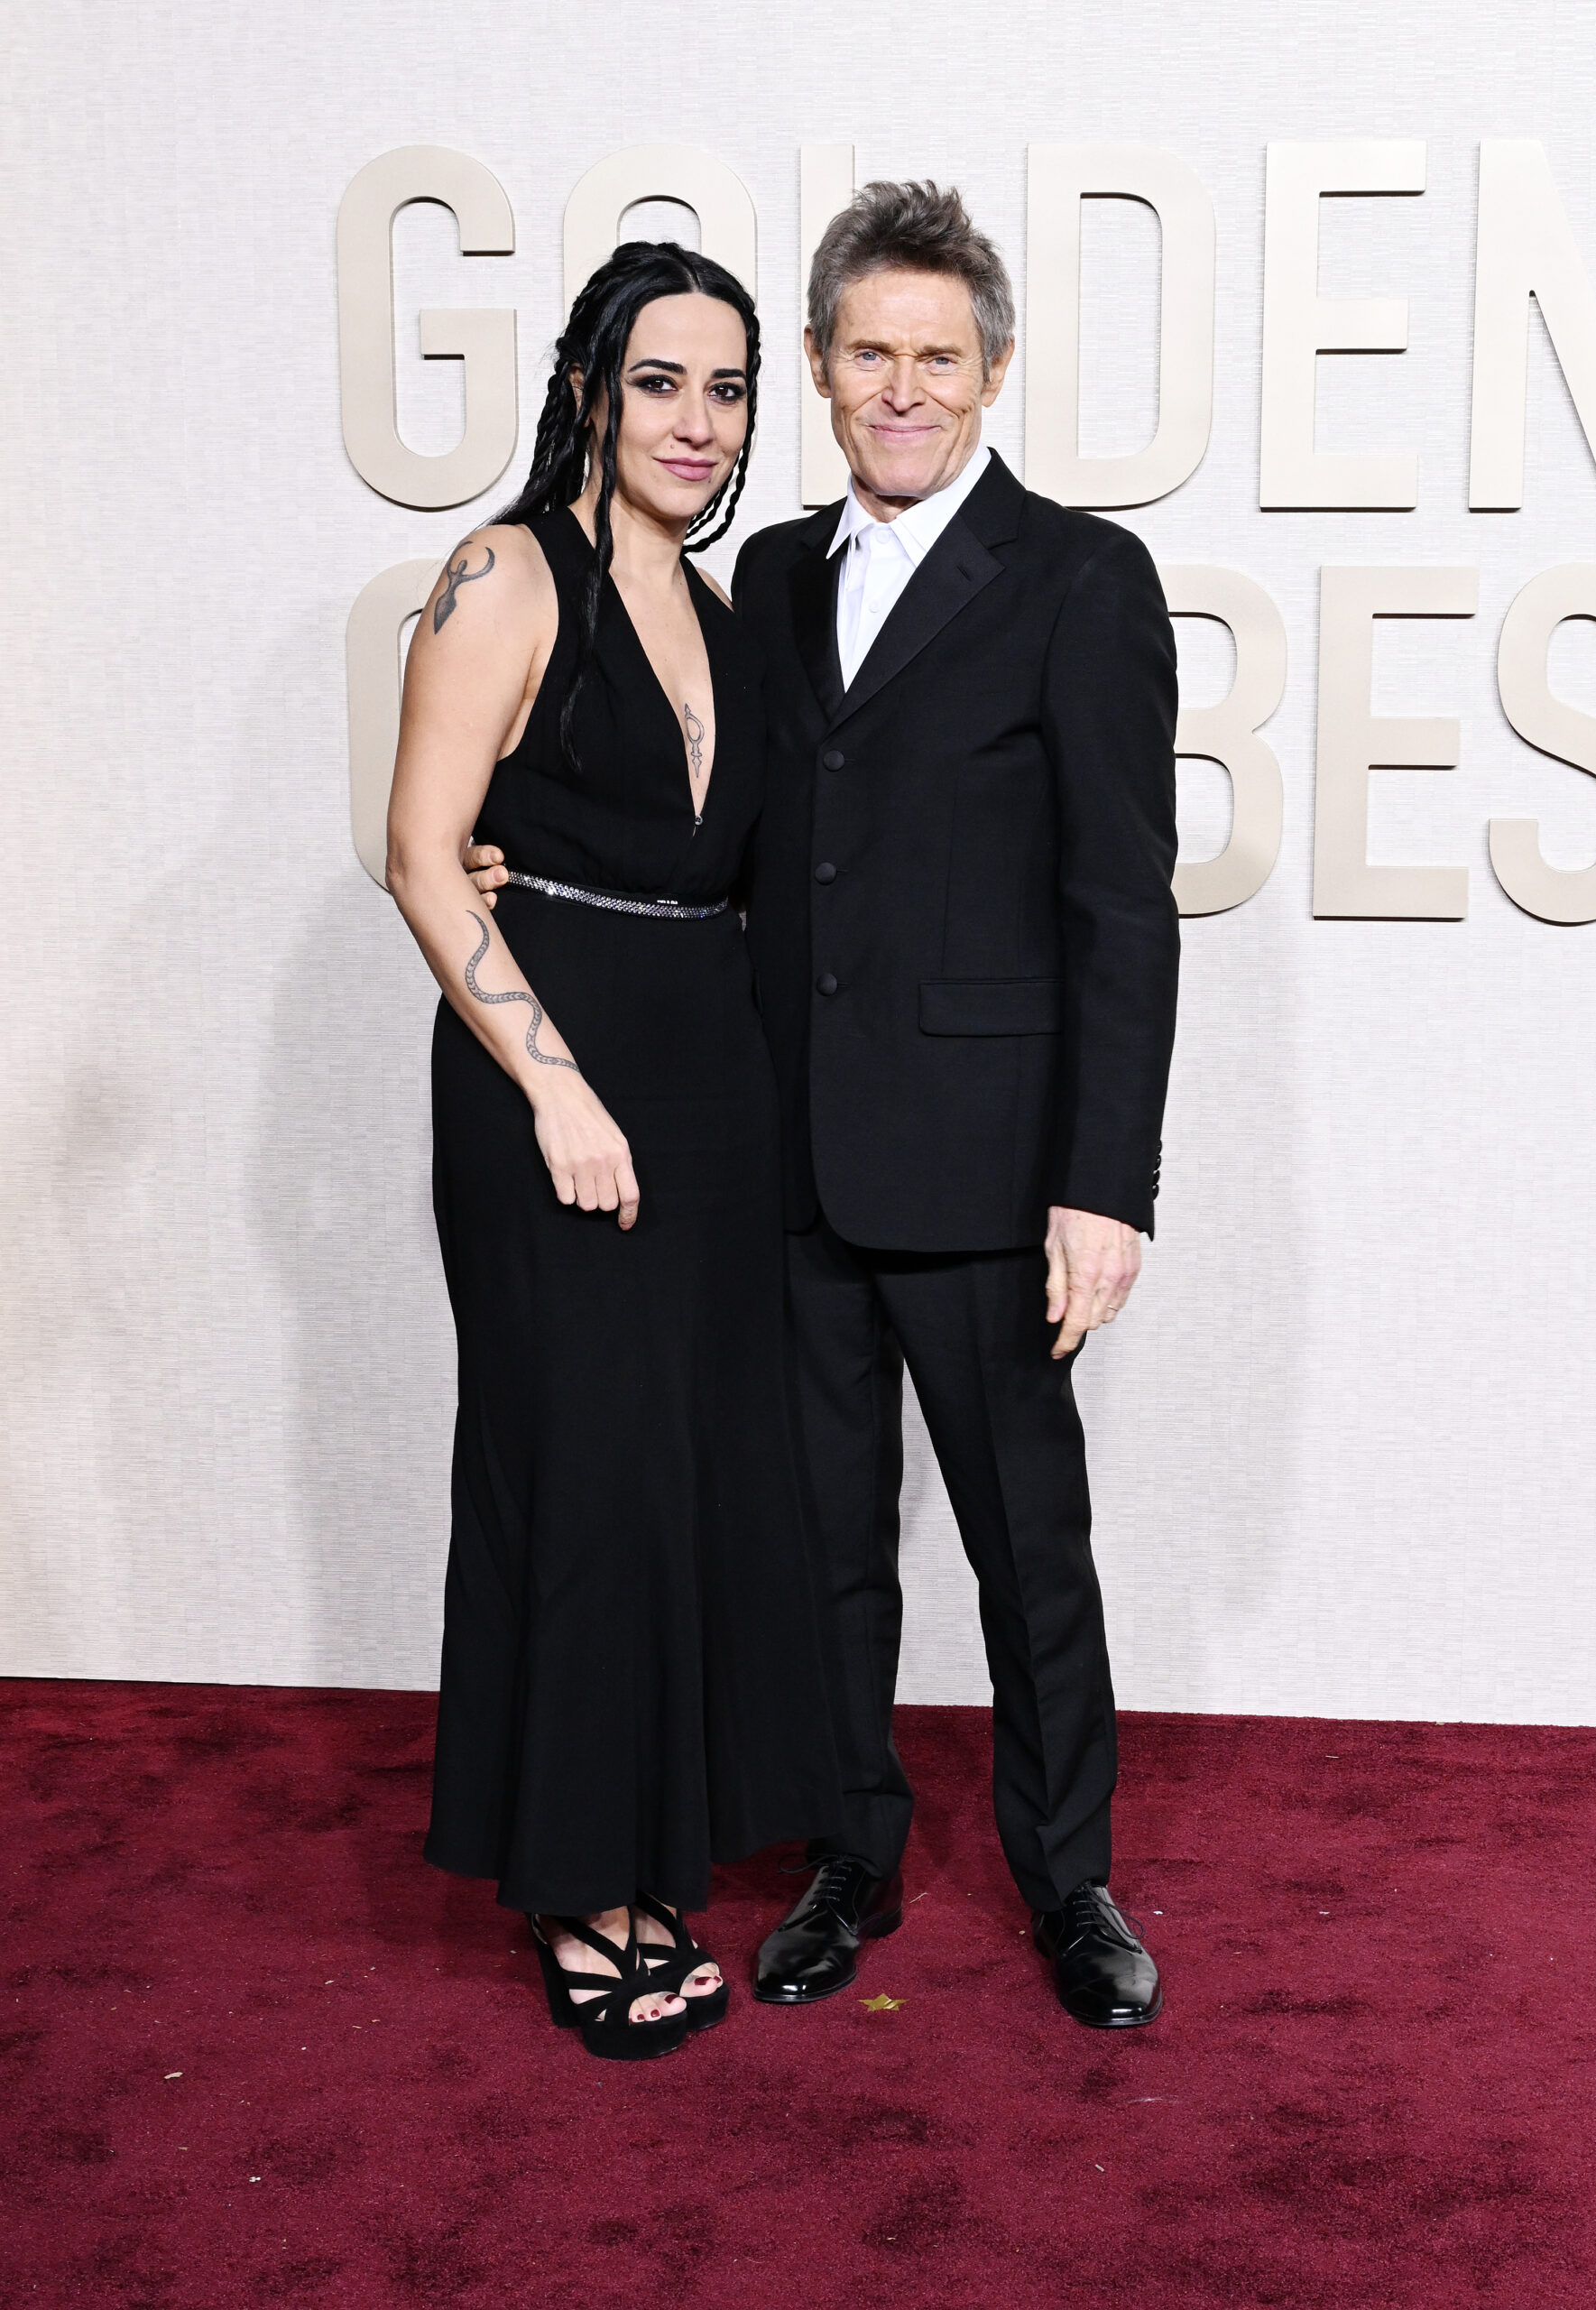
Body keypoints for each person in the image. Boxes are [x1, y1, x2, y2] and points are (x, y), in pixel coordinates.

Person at [386, 241, 841, 2062]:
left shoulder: (726, 614)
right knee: (574, 1476)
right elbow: (421, 852)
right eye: (660, 380)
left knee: (675, 1483)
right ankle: (577, 1886)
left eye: (726, 388)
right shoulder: (504, 573)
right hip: (548, 1089)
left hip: (710, 1092)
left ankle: (651, 1852)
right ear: (589, 388)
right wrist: (557, 1088)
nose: (694, 420)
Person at [732, 182, 1179, 2028]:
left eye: (936, 354)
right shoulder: (770, 579)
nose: (901, 387)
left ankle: (1067, 1878)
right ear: (820, 367)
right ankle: (850, 1850)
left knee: (1026, 1548)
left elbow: (1119, 903)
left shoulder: (1077, 579)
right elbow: (743, 845)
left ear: (991, 370)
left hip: (991, 1172)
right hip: (787, 1158)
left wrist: (1104, 1182)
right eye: (869, 353)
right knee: (823, 1543)